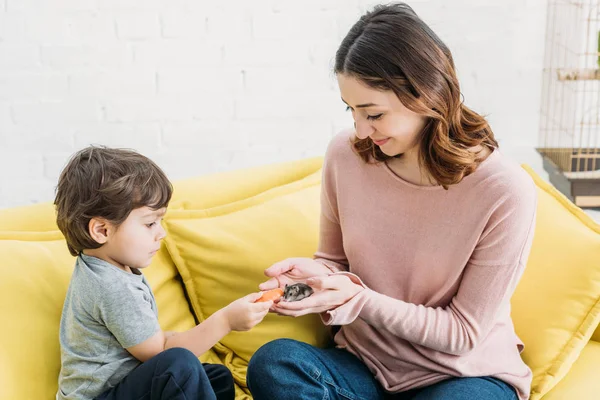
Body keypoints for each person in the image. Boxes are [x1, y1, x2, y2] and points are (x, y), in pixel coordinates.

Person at [246, 3, 536, 400]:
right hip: (364, 365)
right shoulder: (345, 156)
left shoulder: (503, 190)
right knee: (275, 363)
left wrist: (358, 299)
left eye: (374, 114)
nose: (362, 131)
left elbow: (463, 333)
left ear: (425, 93)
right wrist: (313, 278)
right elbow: (335, 263)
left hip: (462, 376)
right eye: (351, 111)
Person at [54, 146, 272, 400]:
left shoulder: (109, 267)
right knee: (179, 366)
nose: (161, 233)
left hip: (125, 387)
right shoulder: (112, 286)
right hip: (101, 396)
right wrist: (226, 321)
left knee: (215, 377)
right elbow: (160, 354)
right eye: (149, 224)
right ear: (102, 230)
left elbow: (151, 340)